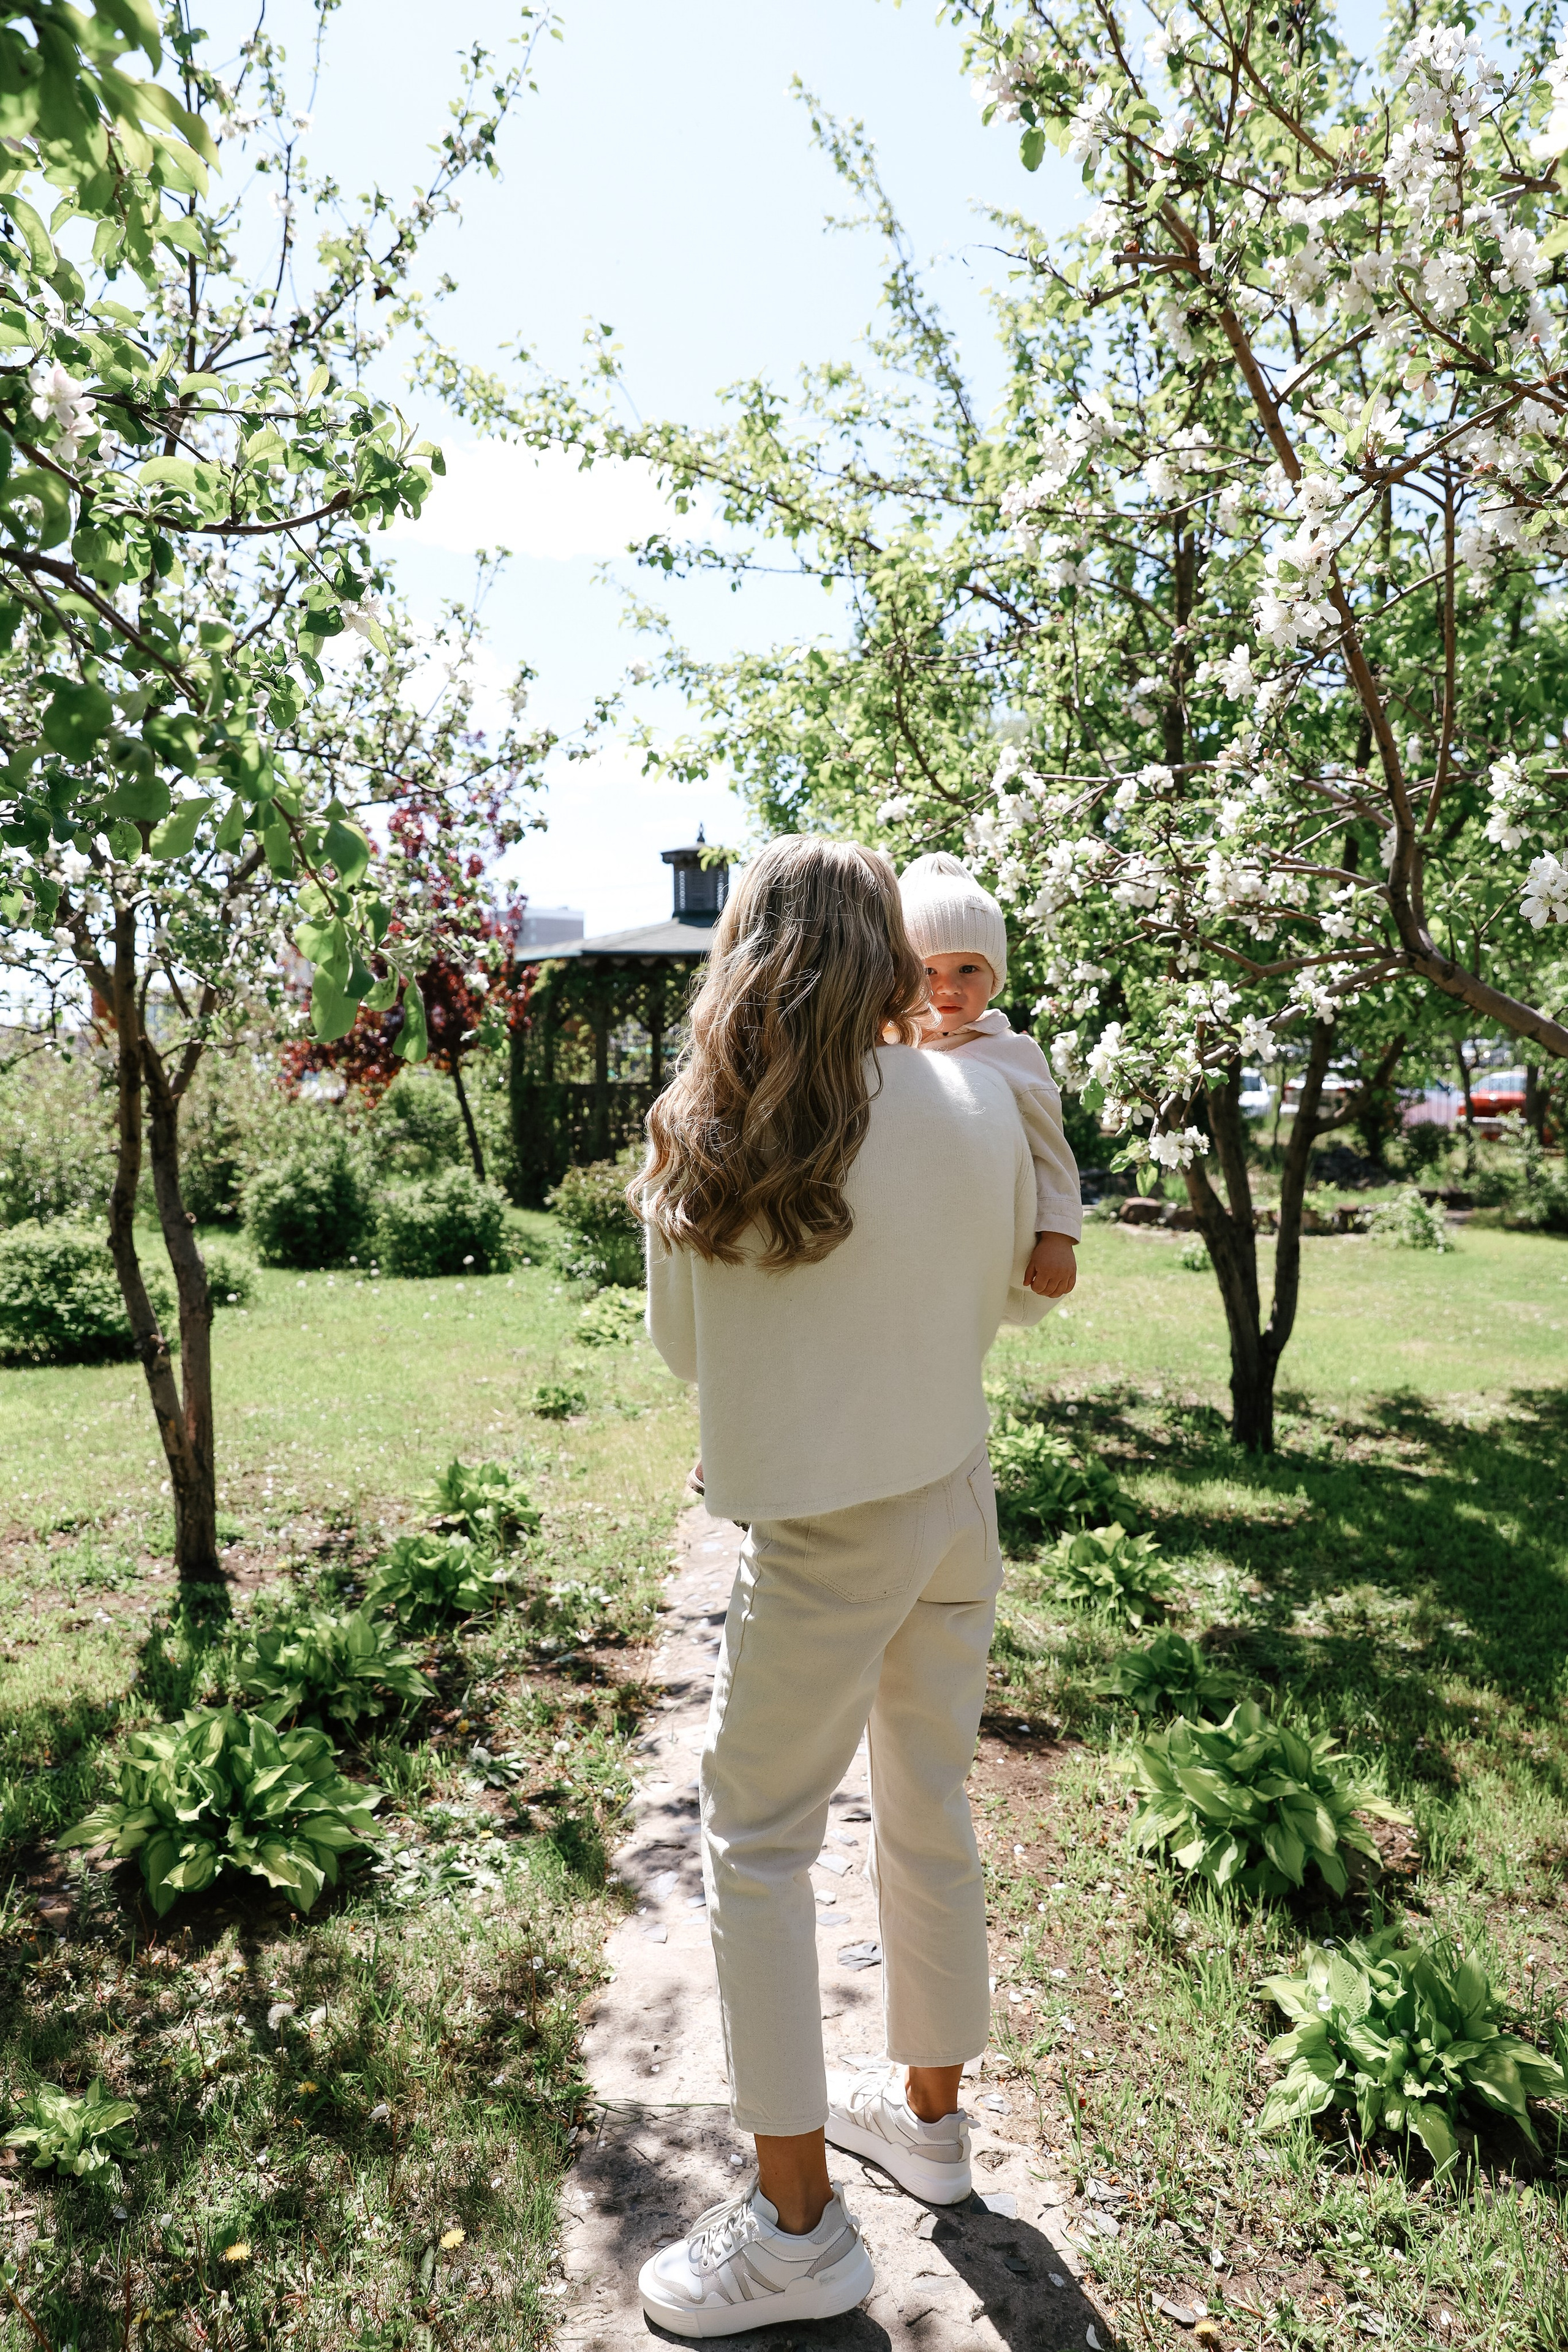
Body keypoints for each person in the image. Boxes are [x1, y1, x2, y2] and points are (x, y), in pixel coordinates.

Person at [635, 835, 1051, 2337]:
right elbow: (1011, 1289)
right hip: (950, 1501)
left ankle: (798, 2224)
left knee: (754, 1844)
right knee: (925, 1800)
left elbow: (685, 1352)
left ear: (741, 950)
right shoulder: (981, 1094)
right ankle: (927, 2121)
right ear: (886, 953)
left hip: (817, 1532)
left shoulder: (704, 1128)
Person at [899, 851, 1081, 1302]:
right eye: (927, 970)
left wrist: (1058, 1237)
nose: (948, 986)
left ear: (994, 975)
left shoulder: (1013, 1053)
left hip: (981, 1245)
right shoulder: (885, 1045)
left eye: (968, 969)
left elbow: (1051, 1153)